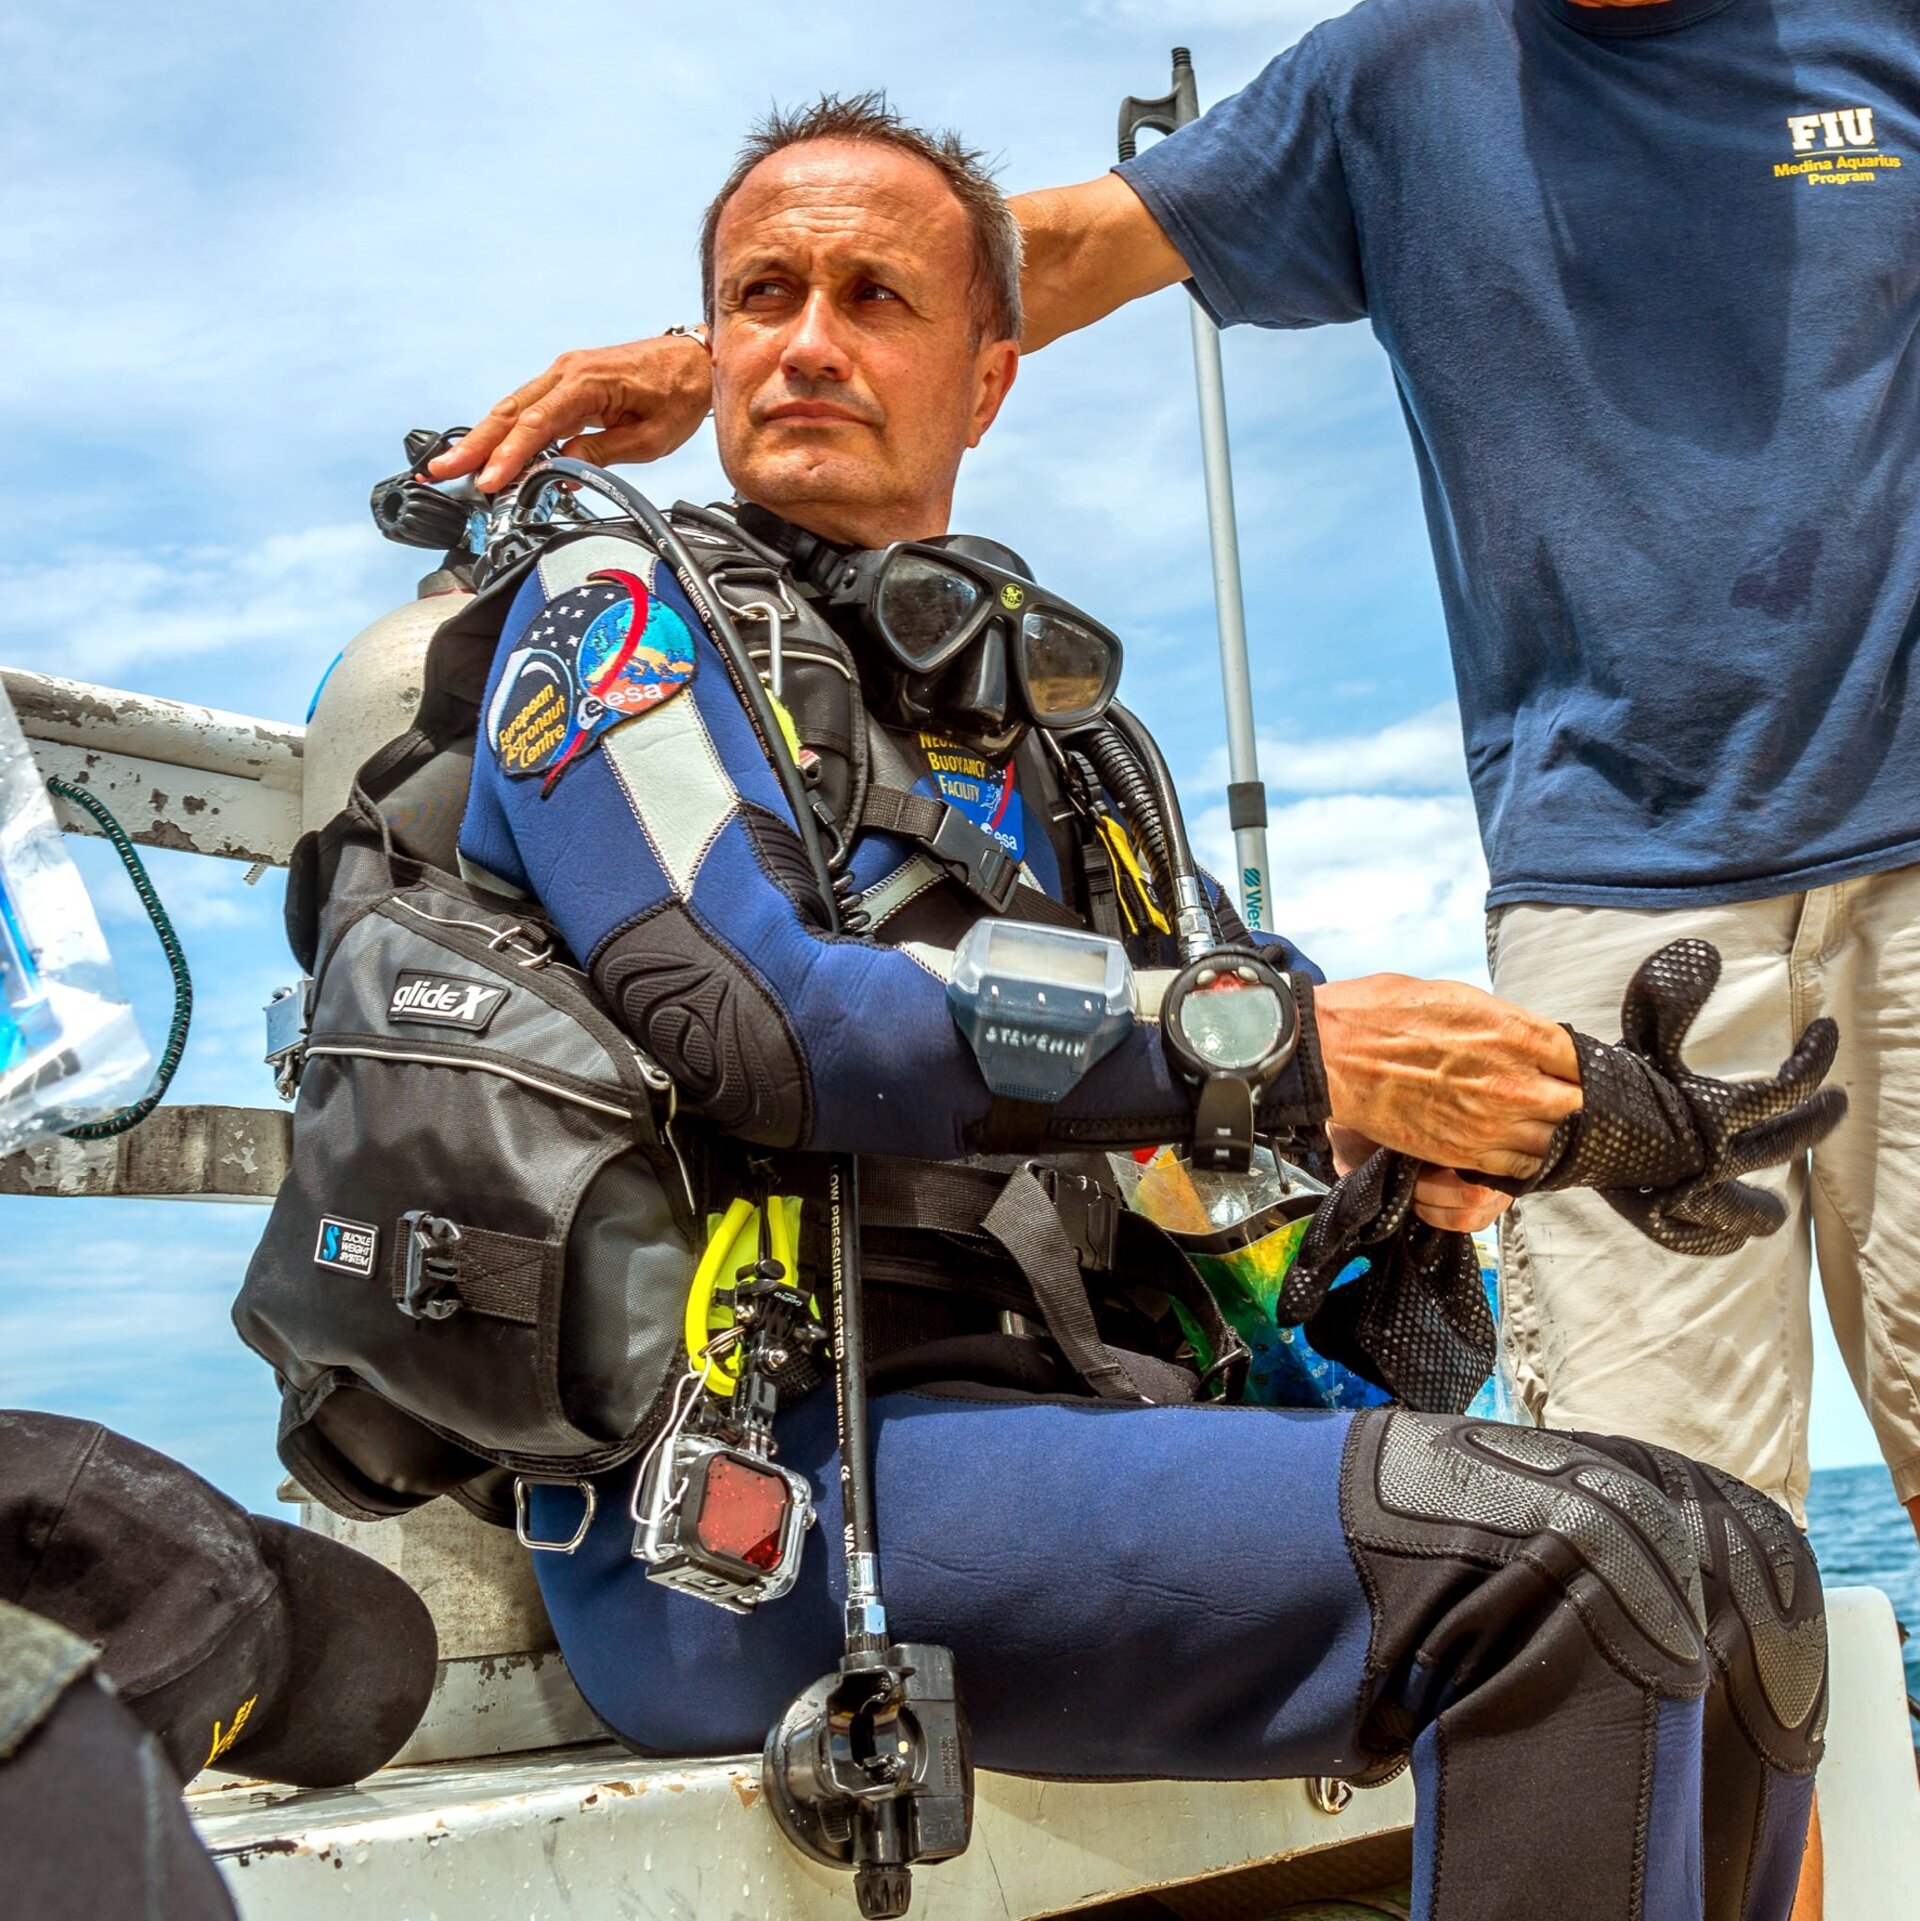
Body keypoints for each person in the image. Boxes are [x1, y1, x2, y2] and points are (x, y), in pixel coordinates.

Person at [458, 99, 1833, 1921]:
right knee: (1584, 1562)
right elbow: (766, 1014)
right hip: (760, 1503)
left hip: (1071, 1437)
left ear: (989, 376)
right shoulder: (607, 611)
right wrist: (1290, 1055)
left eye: (876, 297)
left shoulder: (1074, 747)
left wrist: (1576, 1113)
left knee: (1739, 1559)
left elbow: (1281, 1067)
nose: (807, 338)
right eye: (762, 294)